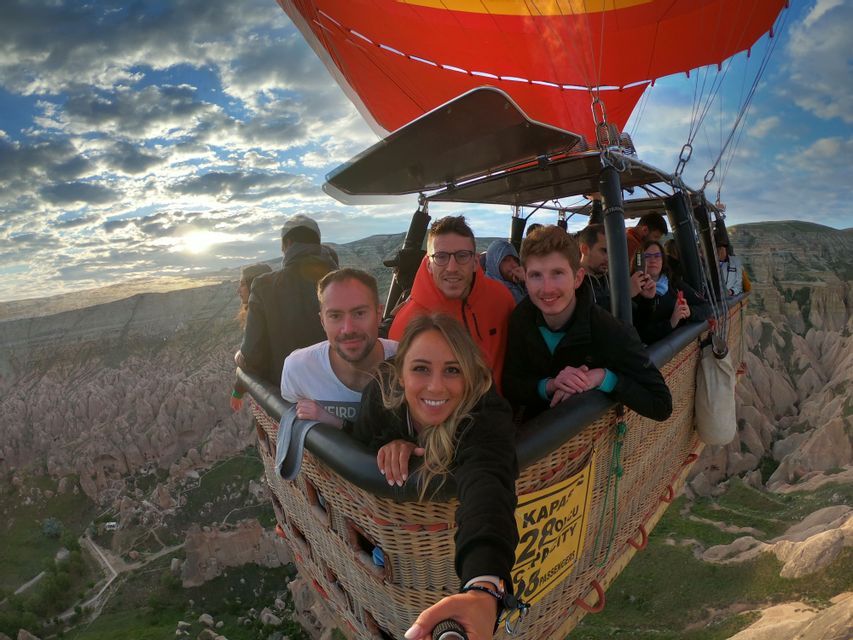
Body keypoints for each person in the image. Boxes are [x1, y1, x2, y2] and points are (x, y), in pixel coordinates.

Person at [348, 314, 519, 640]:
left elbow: (488, 484)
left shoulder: (484, 413)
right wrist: (388, 444)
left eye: (452, 370)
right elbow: (358, 447)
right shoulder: (379, 397)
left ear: (468, 376)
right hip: (391, 559)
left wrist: (483, 587)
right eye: (421, 369)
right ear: (400, 375)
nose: (436, 386)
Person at [502, 226, 672, 421]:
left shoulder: (609, 329)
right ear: (525, 278)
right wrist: (551, 385)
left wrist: (602, 378)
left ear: (577, 278)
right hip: (537, 433)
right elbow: (512, 383)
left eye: (557, 273)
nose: (547, 288)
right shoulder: (521, 319)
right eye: (536, 275)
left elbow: (661, 404)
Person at [389, 216, 515, 393]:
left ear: (475, 262)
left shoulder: (501, 299)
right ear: (429, 265)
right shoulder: (407, 323)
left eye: (462, 256)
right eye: (441, 257)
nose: (452, 268)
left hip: (498, 407)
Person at [280, 268, 396, 428]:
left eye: (359, 313)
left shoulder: (406, 363)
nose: (348, 329)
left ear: (378, 315)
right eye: (335, 316)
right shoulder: (298, 369)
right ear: (323, 322)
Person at [236, 214, 338, 387]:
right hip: (340, 386)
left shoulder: (264, 286)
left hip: (290, 391)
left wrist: (239, 357)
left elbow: (252, 355)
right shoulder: (344, 280)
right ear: (317, 243)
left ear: (287, 244)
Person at [632, 239, 712, 344]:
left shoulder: (674, 283)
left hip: (681, 348)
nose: (653, 260)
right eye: (647, 256)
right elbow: (640, 334)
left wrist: (690, 312)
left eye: (657, 256)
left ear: (663, 260)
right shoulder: (632, 290)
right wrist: (671, 323)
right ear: (639, 261)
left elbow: (706, 308)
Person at [231, 262, 273, 411]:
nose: (238, 290)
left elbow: (249, 356)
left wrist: (237, 390)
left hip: (271, 394)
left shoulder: (259, 317)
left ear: (254, 284)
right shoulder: (274, 311)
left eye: (242, 284)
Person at [576, 224, 610, 311]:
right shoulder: (573, 283)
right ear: (584, 249)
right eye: (604, 251)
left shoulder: (611, 278)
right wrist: (626, 295)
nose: (608, 258)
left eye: (611, 252)